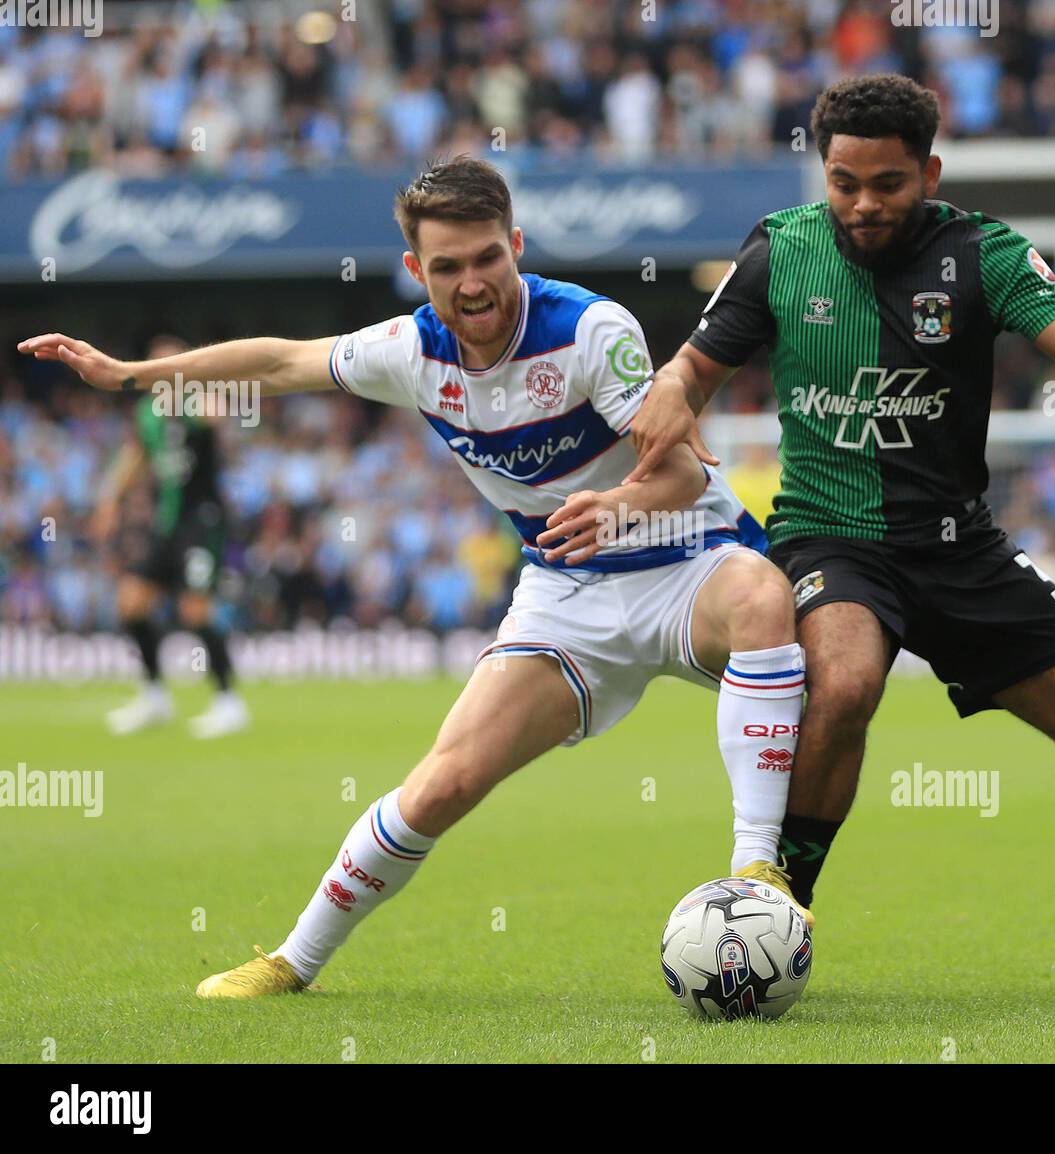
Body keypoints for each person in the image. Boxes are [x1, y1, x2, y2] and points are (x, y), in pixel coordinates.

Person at [20, 156, 809, 999]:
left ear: (515, 246)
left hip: (682, 563)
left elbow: (685, 473)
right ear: (415, 270)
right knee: (445, 781)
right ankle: (293, 960)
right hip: (566, 594)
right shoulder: (409, 351)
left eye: (486, 259)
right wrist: (132, 377)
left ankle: (758, 872)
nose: (472, 284)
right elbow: (282, 361)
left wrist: (615, 506)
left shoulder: (590, 331)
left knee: (765, 598)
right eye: (447, 266)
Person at [626, 74, 1055, 987]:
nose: (864, 204)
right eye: (844, 182)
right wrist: (672, 391)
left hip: (962, 548)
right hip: (830, 540)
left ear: (931, 172)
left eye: (888, 184)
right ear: (823, 171)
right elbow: (691, 366)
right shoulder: (780, 250)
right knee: (841, 686)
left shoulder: (984, 252)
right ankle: (770, 930)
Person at [89, 334, 249, 739]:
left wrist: (194, 387)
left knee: (195, 610)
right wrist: (110, 500)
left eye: (174, 362)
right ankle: (154, 696)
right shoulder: (148, 412)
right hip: (168, 521)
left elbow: (218, 414)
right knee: (131, 604)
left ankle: (229, 701)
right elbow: (137, 455)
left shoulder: (198, 399)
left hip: (202, 520)